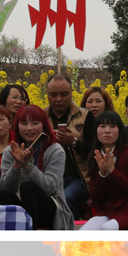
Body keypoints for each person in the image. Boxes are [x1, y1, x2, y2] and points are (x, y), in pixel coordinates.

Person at [0, 105, 73, 229]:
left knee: (29, 187)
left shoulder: (55, 150)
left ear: (44, 125)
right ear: (17, 126)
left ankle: (38, 234)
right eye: (24, 123)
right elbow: (4, 188)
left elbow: (50, 187)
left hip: (50, 208)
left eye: (35, 123)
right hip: (21, 206)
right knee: (6, 194)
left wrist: (27, 166)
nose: (29, 128)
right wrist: (17, 166)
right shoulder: (10, 151)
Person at [80, 111, 128, 230]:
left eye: (112, 126)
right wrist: (102, 174)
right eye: (102, 126)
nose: (107, 131)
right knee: (85, 232)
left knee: (108, 229)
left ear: (119, 130)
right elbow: (96, 197)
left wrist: (112, 172)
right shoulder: (95, 154)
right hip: (106, 211)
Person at [46, 73, 88, 218]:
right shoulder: (40, 117)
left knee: (67, 198)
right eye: (53, 95)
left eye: (64, 94)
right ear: (47, 95)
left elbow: (94, 149)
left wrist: (73, 142)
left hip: (79, 177)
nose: (58, 99)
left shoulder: (85, 116)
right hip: (48, 177)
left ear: (71, 93)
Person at [76, 86, 115, 182]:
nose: (94, 105)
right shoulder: (78, 125)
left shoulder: (115, 124)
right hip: (83, 177)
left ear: (106, 103)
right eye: (90, 102)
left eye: (98, 101)